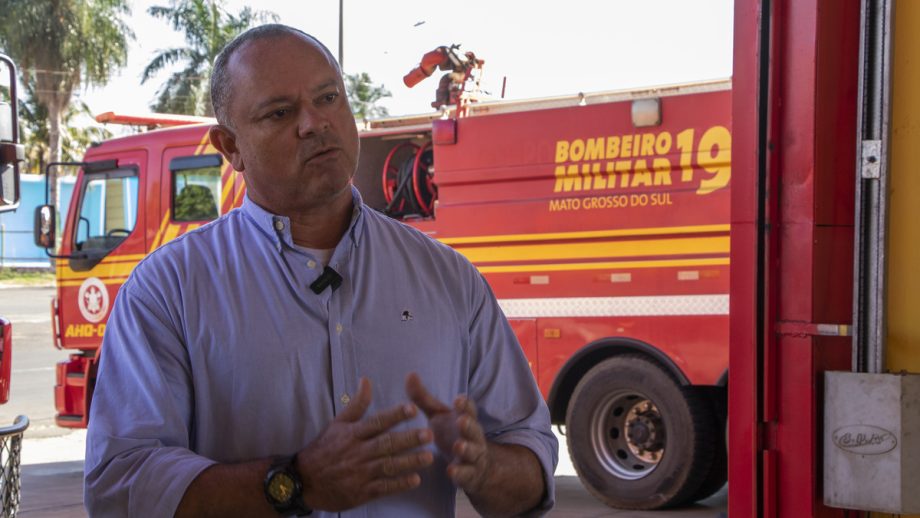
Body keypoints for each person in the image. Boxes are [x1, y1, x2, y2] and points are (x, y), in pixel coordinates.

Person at [84, 24, 557, 518]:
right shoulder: (168, 291)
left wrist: (484, 468)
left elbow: (530, 467)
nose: (315, 123)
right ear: (230, 147)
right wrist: (292, 483)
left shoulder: (450, 280)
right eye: (280, 112)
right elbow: (121, 489)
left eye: (329, 97)